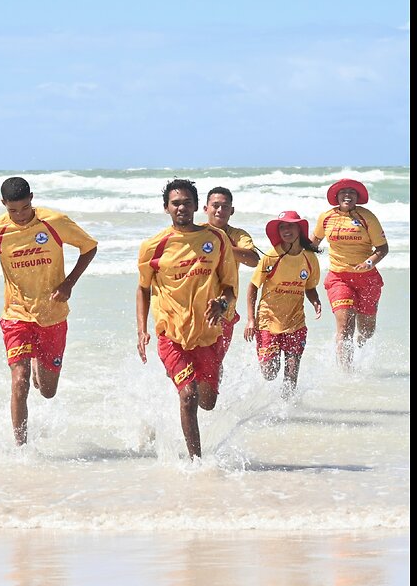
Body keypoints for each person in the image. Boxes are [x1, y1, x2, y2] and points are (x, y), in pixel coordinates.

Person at [0, 177, 99, 446]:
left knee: (47, 391)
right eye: (13, 210)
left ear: (32, 199)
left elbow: (89, 247)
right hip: (16, 315)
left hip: (53, 315)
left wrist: (68, 283)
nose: (20, 216)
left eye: (24, 208)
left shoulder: (54, 222)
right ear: (3, 205)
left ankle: (37, 362)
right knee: (20, 381)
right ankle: (20, 449)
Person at [136, 178, 238, 459]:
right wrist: (141, 330)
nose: (181, 207)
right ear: (166, 208)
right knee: (189, 395)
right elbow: (143, 289)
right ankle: (197, 462)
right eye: (175, 203)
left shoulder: (215, 239)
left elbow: (229, 286)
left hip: (207, 333)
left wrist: (222, 303)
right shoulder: (153, 246)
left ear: (196, 206)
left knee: (208, 402)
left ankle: (173, 418)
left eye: (187, 202)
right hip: (171, 334)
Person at [310, 178, 389, 370]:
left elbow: (382, 248)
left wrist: (369, 262)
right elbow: (313, 244)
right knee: (345, 327)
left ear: (357, 197)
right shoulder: (326, 217)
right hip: (339, 278)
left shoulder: (367, 217)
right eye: (343, 192)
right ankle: (347, 373)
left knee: (366, 332)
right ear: (336, 196)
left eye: (352, 192)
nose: (347, 195)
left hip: (367, 279)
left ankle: (362, 361)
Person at [243, 211, 323, 396]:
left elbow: (309, 286)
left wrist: (315, 301)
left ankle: (288, 411)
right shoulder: (272, 257)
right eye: (282, 227)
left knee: (292, 371)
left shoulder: (309, 259)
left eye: (290, 225)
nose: (286, 230)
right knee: (270, 372)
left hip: (295, 321)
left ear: (299, 229)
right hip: (268, 321)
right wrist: (250, 320)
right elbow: (253, 287)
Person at [203, 186, 260, 382]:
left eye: (225, 207)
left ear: (231, 211)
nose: (219, 210)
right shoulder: (198, 233)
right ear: (205, 209)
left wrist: (224, 244)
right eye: (215, 206)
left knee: (216, 361)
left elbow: (253, 259)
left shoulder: (238, 235)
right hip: (197, 307)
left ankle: (213, 399)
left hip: (225, 309)